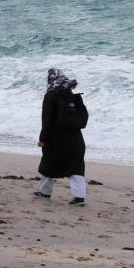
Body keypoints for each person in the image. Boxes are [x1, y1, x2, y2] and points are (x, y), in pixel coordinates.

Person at [35, 68, 88, 206]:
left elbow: (46, 122)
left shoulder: (50, 96)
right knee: (76, 167)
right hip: (76, 139)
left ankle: (44, 192)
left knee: (49, 164)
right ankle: (79, 198)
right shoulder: (72, 95)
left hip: (56, 140)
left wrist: (42, 139)